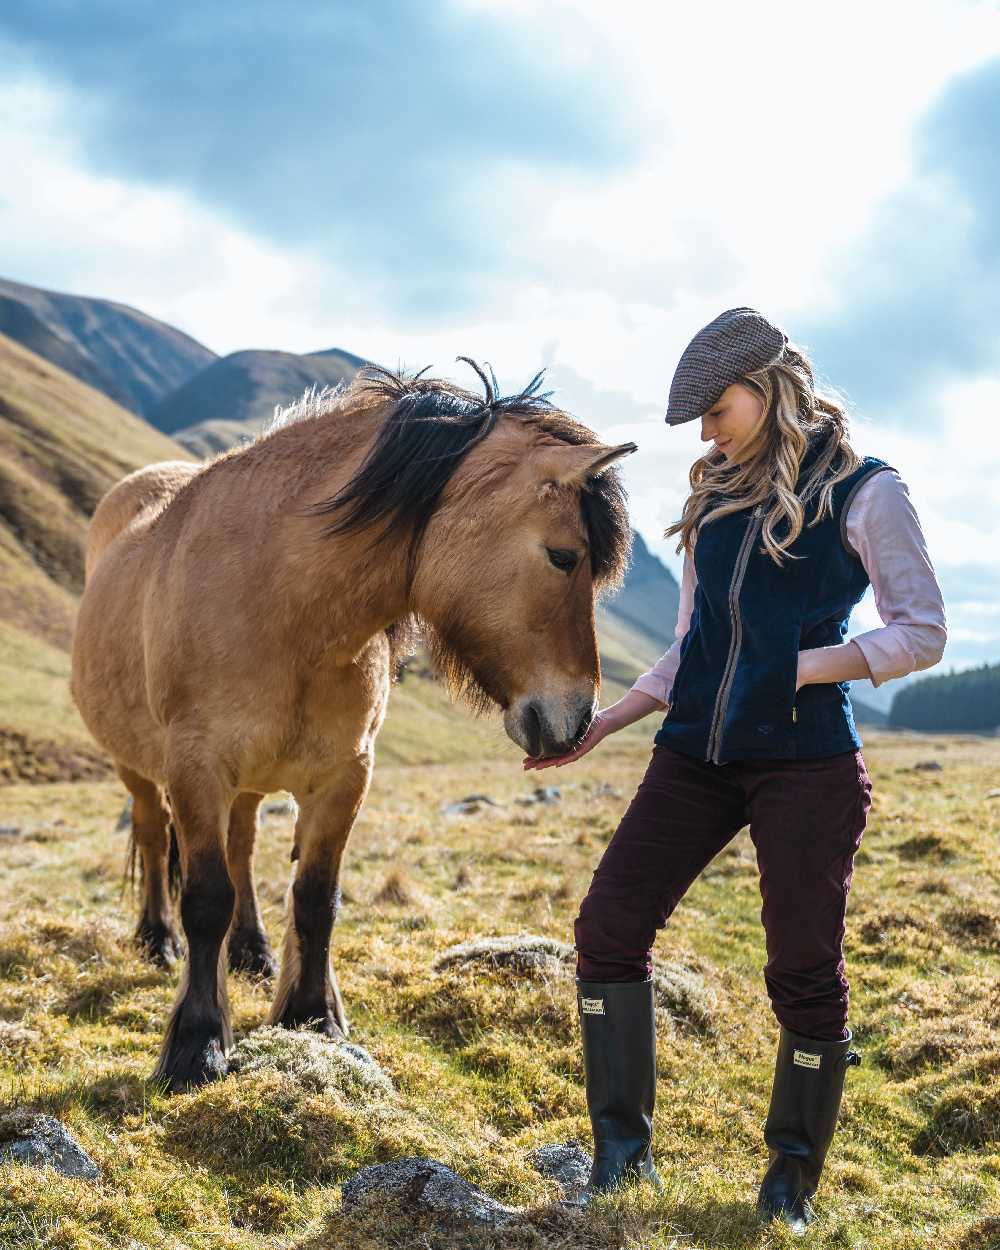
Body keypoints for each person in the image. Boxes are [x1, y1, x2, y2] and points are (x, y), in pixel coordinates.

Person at [523, 307, 948, 1231]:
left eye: (718, 410)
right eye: (701, 421)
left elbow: (922, 632)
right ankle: (619, 1157)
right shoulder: (713, 494)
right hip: (695, 760)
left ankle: (791, 1180)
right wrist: (609, 725)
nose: (708, 433)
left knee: (803, 969)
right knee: (607, 927)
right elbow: (690, 647)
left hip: (807, 763)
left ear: (771, 387)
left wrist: (794, 666)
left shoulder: (868, 491)